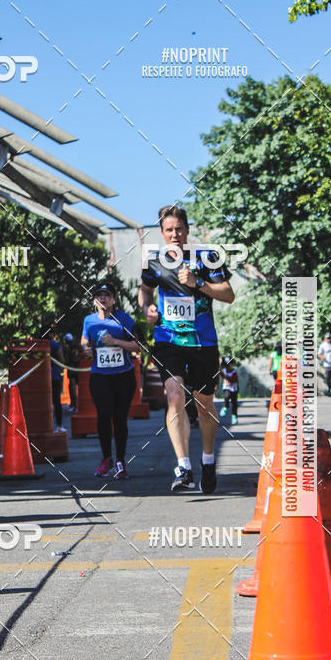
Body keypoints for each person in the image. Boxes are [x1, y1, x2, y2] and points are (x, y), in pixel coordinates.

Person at [139, 206, 235, 493]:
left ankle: (207, 460)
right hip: (168, 340)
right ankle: (184, 466)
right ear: (162, 232)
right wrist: (147, 309)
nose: (174, 235)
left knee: (205, 406)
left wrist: (199, 283)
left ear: (187, 229)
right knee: (174, 395)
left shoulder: (207, 258)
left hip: (203, 342)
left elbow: (228, 295)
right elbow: (144, 290)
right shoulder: (153, 261)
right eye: (169, 230)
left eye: (179, 229)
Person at [81, 281, 139, 479]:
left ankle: (120, 461)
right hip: (100, 376)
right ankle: (106, 459)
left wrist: (115, 342)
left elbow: (137, 346)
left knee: (120, 418)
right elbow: (84, 340)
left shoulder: (124, 319)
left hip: (123, 376)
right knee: (104, 415)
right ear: (94, 300)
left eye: (107, 295)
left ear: (114, 299)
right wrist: (86, 348)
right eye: (99, 295)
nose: (103, 298)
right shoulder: (89, 320)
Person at [48, 330, 66, 433]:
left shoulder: (38, 344)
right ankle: (59, 425)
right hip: (54, 376)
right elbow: (62, 360)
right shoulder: (55, 344)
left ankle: (45, 425)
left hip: (42, 377)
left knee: (44, 402)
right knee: (56, 402)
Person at [62, 333, 80, 412]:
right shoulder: (77, 346)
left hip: (73, 369)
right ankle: (75, 404)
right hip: (77, 369)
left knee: (72, 387)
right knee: (74, 387)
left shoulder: (69, 348)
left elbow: (66, 360)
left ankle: (75, 404)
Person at [219, 356, 239, 424]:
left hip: (234, 389)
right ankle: (225, 407)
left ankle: (234, 416)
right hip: (227, 388)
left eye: (230, 365)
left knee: (234, 403)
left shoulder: (234, 372)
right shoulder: (224, 371)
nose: (228, 366)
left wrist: (226, 376)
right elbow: (220, 374)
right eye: (227, 365)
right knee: (226, 397)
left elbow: (233, 380)